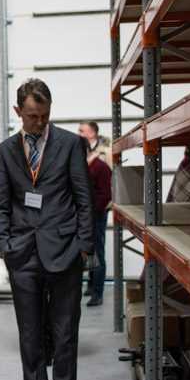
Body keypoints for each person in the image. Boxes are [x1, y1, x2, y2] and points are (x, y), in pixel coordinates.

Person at [0, 78, 93, 380]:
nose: (39, 122)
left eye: (45, 116)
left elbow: (84, 198)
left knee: (65, 334)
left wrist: (84, 245)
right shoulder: (6, 151)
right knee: (30, 335)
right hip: (23, 255)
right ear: (18, 112)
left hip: (65, 251)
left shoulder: (70, 144)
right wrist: (4, 245)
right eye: (32, 116)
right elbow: (0, 203)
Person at [79, 126, 112, 307]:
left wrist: (91, 212)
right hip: (87, 216)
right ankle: (92, 287)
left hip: (96, 216)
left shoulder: (100, 166)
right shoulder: (84, 165)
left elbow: (105, 195)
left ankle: (97, 292)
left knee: (98, 252)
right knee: (89, 251)